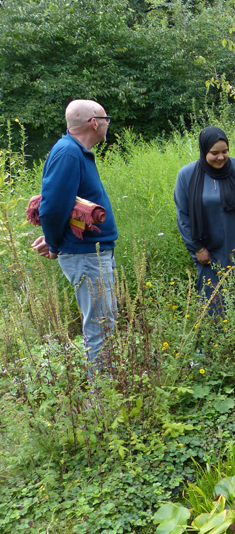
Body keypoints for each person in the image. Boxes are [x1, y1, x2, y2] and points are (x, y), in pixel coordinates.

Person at [31, 100, 118, 375]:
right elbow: (52, 208)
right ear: (94, 122)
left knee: (104, 324)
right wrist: (55, 243)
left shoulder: (75, 151)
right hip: (85, 255)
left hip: (89, 253)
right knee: (100, 328)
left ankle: (106, 393)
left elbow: (65, 206)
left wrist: (55, 237)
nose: (107, 124)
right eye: (106, 119)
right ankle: (102, 402)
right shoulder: (69, 153)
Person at [174, 127, 235, 309]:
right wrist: (197, 248)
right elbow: (183, 216)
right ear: (204, 151)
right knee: (214, 301)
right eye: (214, 153)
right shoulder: (187, 175)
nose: (221, 157)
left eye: (225, 152)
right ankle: (216, 337)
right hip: (209, 250)